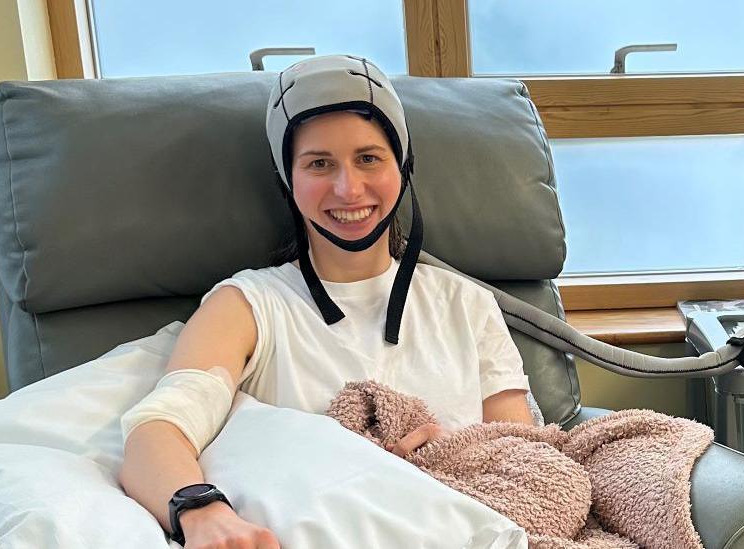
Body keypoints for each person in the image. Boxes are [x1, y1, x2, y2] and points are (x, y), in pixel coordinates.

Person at [117, 55, 534, 548]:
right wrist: (202, 513)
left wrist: (455, 452)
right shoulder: (248, 305)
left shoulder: (467, 304)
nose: (347, 188)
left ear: (402, 166)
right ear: (287, 179)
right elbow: (157, 433)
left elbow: (525, 459)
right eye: (319, 164)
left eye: (369, 158)